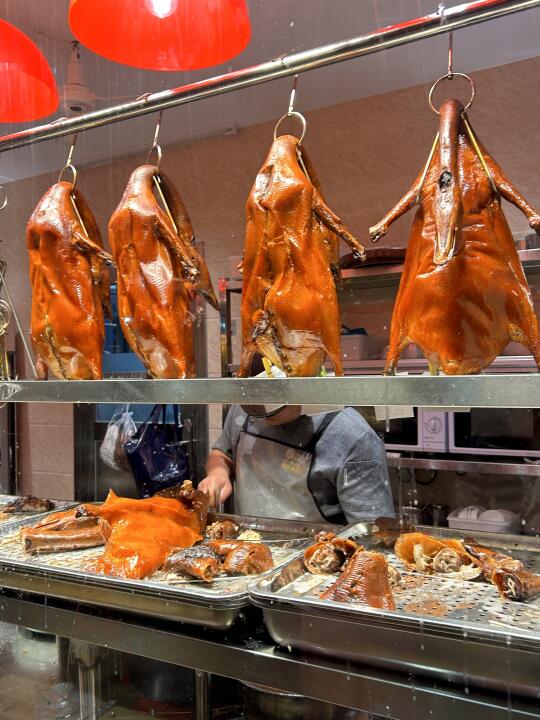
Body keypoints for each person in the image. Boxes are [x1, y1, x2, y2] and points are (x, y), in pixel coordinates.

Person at [199, 402, 394, 524]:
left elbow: (372, 534)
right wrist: (218, 472)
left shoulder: (351, 436)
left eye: (271, 402)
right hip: (249, 544)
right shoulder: (244, 409)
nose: (262, 416)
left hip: (317, 559)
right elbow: (222, 452)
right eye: (253, 406)